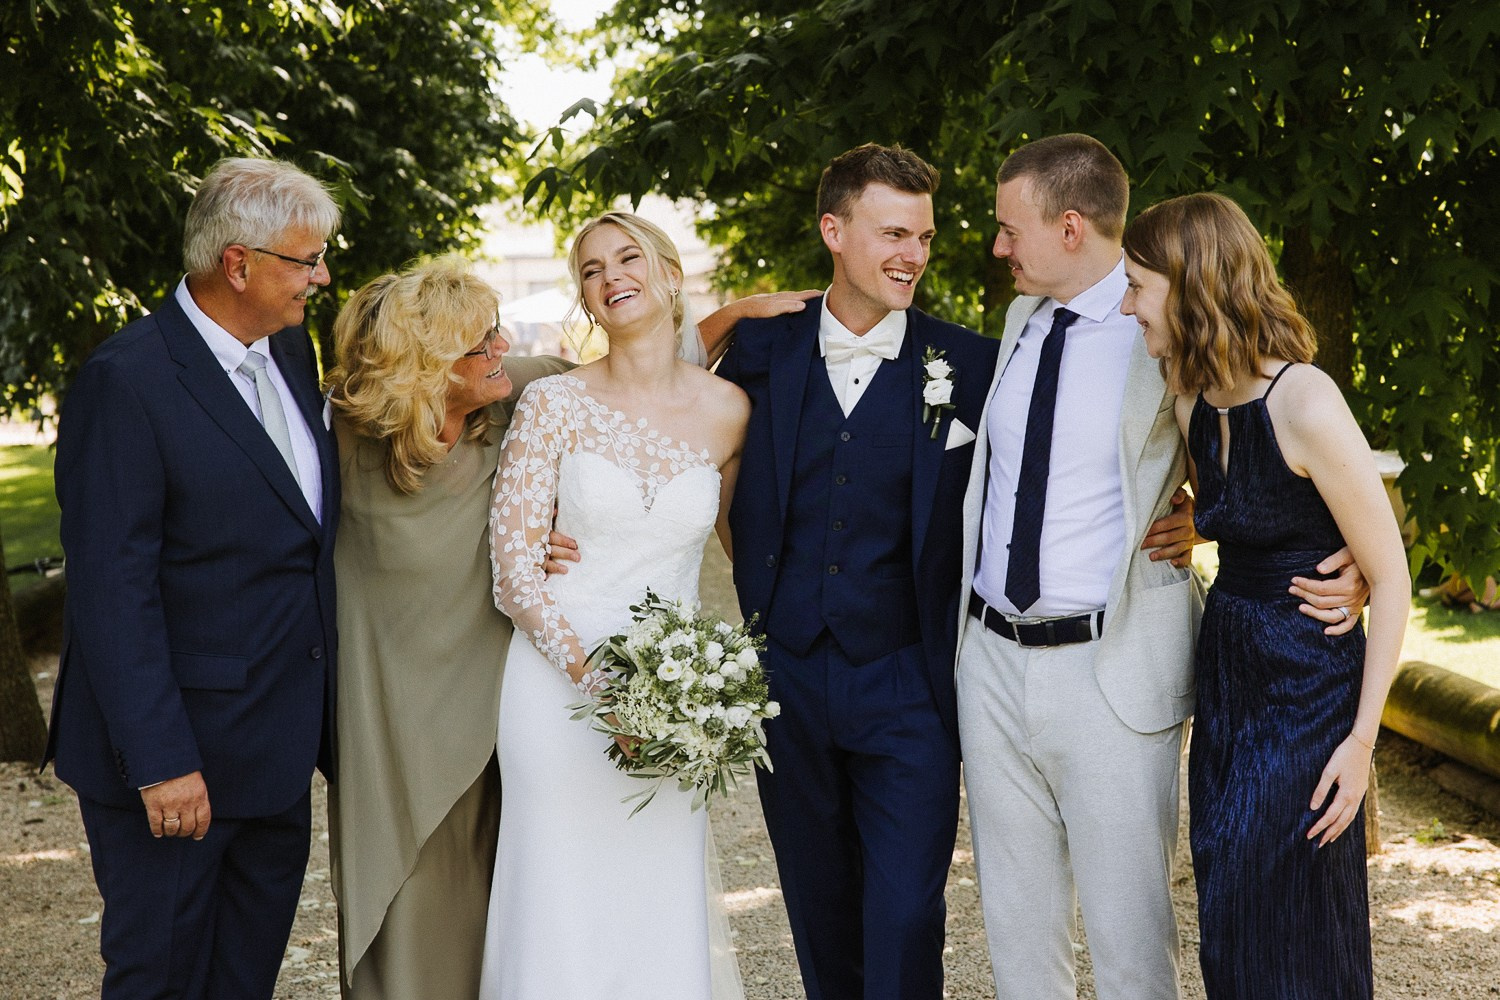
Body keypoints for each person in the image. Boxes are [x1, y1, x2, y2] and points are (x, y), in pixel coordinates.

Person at [954, 134, 1369, 1000]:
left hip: (1110, 668)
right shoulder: (1019, 320)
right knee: (1016, 924)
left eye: (1008, 228)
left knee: (1130, 934)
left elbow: (1278, 461)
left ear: (1070, 226)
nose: (997, 248)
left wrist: (1356, 565)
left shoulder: (1168, 337)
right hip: (989, 658)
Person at [46, 156, 340, 999]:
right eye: (305, 259)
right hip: (178, 771)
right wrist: (162, 762)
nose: (321, 276)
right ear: (237, 263)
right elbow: (111, 588)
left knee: (243, 981)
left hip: (277, 754)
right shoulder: (125, 381)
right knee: (162, 981)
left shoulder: (290, 351)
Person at [714, 143, 1001, 1000]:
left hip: (908, 679)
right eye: (892, 233)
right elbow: (645, 404)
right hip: (788, 674)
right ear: (833, 231)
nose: (913, 254)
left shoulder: (971, 364)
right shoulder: (763, 351)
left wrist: (1180, 511)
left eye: (923, 235)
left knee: (908, 910)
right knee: (817, 900)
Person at [1121, 191, 1408, 997]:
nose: (1127, 304)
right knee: (1230, 900)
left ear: (1190, 283)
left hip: (1307, 690)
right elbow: (1261, 504)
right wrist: (1199, 525)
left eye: (1139, 285)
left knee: (1294, 911)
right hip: (1229, 682)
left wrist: (1361, 745)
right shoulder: (1192, 398)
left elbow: (1390, 578)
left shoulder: (1306, 399)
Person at [480, 211, 750, 999]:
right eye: (591, 271)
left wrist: (703, 694)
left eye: (627, 257)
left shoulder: (730, 410)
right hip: (558, 688)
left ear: (670, 275)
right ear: (587, 302)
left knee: (655, 897)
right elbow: (515, 576)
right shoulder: (553, 404)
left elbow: (745, 549)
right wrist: (609, 692)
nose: (609, 277)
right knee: (559, 902)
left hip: (677, 698)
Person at [323, 255, 570, 999]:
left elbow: (638, 368)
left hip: (502, 710)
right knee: (409, 916)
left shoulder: (518, 393)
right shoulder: (336, 436)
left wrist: (567, 522)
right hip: (390, 716)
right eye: (479, 343)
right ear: (423, 365)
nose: (501, 347)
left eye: (497, 330)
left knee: (508, 910)